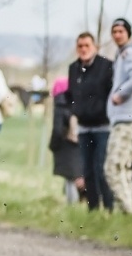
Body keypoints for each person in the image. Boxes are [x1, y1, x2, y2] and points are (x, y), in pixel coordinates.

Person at [103, 18, 132, 215]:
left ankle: (127, 210)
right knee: (124, 167)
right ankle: (128, 213)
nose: (117, 35)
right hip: (124, 118)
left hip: (128, 118)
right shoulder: (122, 54)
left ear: (128, 33)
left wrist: (119, 94)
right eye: (114, 31)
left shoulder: (131, 53)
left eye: (121, 31)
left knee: (113, 167)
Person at [68, 32, 114, 212]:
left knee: (101, 168)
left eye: (87, 45)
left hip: (103, 126)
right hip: (83, 127)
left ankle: (109, 207)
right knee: (87, 171)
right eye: (80, 46)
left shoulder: (106, 66)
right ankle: (93, 209)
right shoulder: (73, 68)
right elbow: (72, 94)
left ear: (95, 47)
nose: (83, 49)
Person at [48, 76, 84, 204]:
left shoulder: (60, 105)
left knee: (70, 179)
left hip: (66, 146)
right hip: (79, 145)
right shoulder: (78, 102)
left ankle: (71, 206)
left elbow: (57, 129)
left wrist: (53, 145)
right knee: (77, 177)